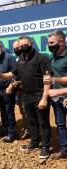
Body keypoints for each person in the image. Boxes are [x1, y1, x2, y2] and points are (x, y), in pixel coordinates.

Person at [0, 36, 52, 159]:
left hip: (39, 96)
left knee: (44, 123)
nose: (22, 48)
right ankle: (34, 142)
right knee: (32, 122)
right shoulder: (20, 60)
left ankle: (45, 147)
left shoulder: (42, 59)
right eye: (20, 46)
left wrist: (44, 98)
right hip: (27, 97)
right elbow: (10, 74)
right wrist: (0, 75)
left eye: (25, 45)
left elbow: (48, 80)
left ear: (31, 43)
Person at [43, 30, 67, 159]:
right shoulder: (52, 56)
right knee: (60, 124)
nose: (49, 45)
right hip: (56, 98)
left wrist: (53, 80)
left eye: (52, 43)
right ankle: (64, 149)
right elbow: (50, 76)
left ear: (61, 41)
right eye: (48, 43)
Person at [7, 40, 30, 140]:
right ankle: (27, 131)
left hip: (31, 91)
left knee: (32, 113)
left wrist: (19, 83)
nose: (17, 50)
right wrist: (17, 86)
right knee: (23, 112)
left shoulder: (30, 59)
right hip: (20, 91)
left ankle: (37, 134)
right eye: (15, 49)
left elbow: (30, 77)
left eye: (18, 48)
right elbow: (15, 76)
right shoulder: (18, 61)